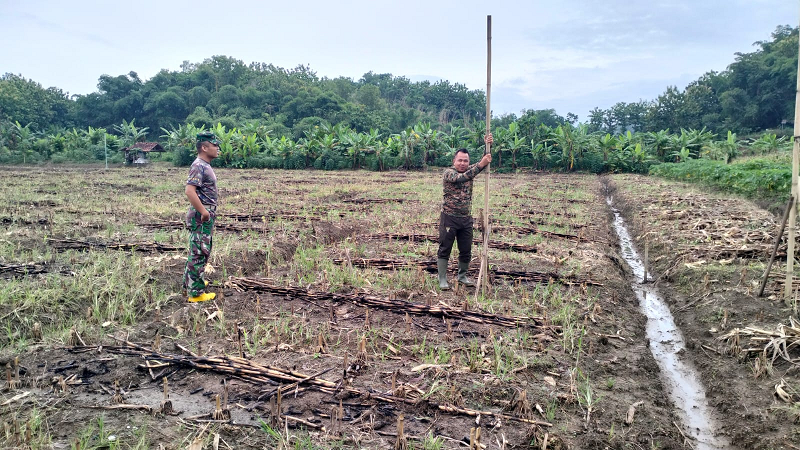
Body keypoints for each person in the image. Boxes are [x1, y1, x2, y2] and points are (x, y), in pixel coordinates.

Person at [437, 133, 493, 290]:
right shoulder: (449, 173)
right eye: (460, 160)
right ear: (454, 161)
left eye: (465, 161)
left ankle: (462, 276)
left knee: (466, 249)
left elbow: (483, 162)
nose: (462, 163)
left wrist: (488, 146)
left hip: (466, 218)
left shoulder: (470, 169)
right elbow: (463, 177)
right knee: (445, 248)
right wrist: (481, 165)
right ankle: (442, 278)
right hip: (449, 217)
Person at [184, 132, 220, 302]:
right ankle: (196, 294)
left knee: (200, 250)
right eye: (215, 145)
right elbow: (190, 191)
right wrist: (204, 212)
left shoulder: (205, 165)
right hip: (202, 214)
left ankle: (191, 284)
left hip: (205, 213)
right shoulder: (199, 165)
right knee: (199, 251)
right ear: (204, 148)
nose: (218, 148)